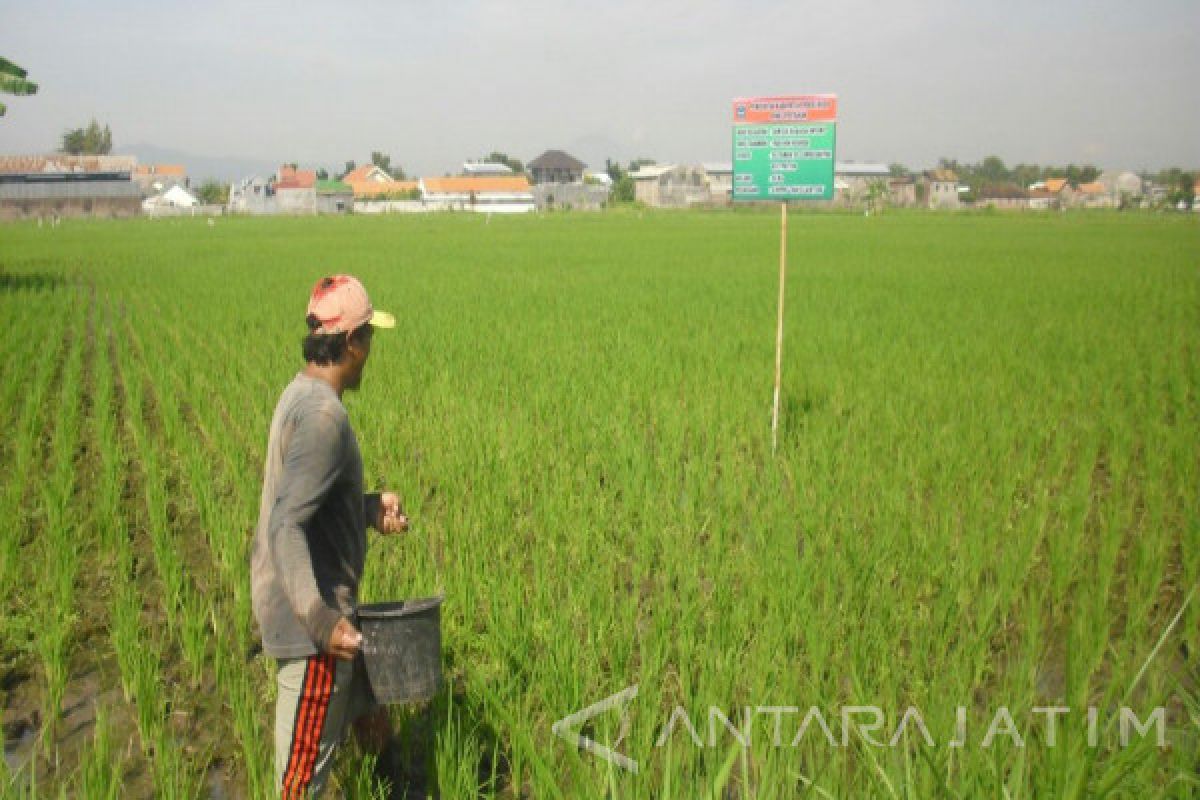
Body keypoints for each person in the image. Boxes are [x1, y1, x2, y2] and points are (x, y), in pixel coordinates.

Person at [251, 274, 410, 797]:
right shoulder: (323, 417)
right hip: (314, 631)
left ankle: (400, 782)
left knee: (371, 718)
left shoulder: (301, 395)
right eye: (369, 338)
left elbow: (308, 502)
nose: (371, 351)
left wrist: (365, 509)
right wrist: (321, 623)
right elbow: (287, 523)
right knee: (299, 782)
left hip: (329, 612)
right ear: (350, 344)